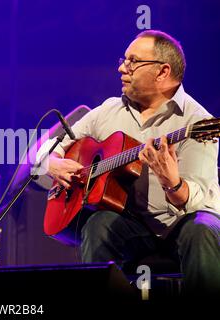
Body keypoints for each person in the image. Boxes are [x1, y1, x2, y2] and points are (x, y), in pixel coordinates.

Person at [37, 30, 220, 296]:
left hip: (186, 223)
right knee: (98, 225)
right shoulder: (109, 110)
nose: (123, 68)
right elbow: (48, 148)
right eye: (123, 60)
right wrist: (51, 163)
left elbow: (195, 198)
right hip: (135, 225)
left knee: (202, 230)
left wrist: (173, 184)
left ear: (162, 72)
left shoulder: (198, 122)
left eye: (133, 62)